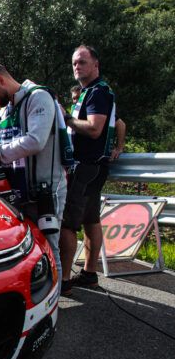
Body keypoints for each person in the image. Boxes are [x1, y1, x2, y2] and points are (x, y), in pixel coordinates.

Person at [0, 62, 67, 284]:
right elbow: (8, 151)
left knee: (50, 252)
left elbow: (35, 141)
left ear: (0, 80)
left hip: (46, 192)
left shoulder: (38, 97)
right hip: (20, 193)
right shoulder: (6, 110)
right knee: (30, 254)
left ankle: (54, 301)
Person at [59, 45, 119, 295]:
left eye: (82, 62)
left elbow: (94, 129)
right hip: (92, 166)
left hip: (86, 167)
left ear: (96, 65)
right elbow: (116, 123)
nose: (77, 66)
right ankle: (89, 274)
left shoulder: (97, 92)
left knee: (67, 224)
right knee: (90, 219)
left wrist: (67, 119)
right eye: (74, 62)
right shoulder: (90, 92)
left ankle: (63, 281)